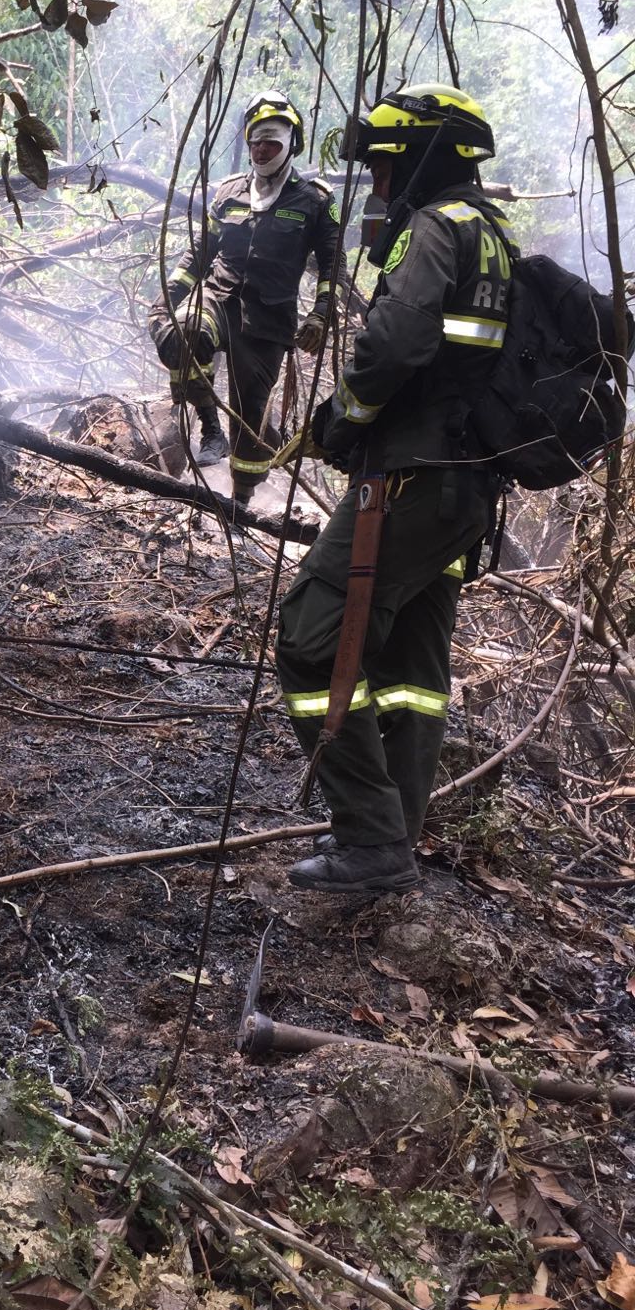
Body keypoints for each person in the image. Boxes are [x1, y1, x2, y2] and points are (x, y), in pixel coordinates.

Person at [275, 82, 514, 896]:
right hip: (463, 495)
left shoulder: (436, 230)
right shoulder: (496, 239)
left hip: (409, 484)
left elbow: (394, 344)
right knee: (412, 664)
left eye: (382, 167)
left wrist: (343, 417)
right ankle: (394, 840)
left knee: (310, 636)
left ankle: (372, 841)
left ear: (418, 159)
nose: (376, 185)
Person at [147, 90, 346, 500]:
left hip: (268, 320)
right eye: (255, 142)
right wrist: (166, 298)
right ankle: (209, 428)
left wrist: (320, 315)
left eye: (270, 142)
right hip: (217, 298)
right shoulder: (229, 192)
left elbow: (332, 266)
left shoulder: (314, 201)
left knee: (252, 413)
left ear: (291, 144)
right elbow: (200, 252)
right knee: (184, 331)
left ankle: (240, 502)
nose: (261, 150)